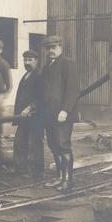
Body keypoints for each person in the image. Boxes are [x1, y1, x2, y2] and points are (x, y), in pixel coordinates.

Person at [41, 35, 80, 191]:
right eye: (48, 48)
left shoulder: (68, 65)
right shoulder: (46, 68)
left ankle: (67, 180)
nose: (51, 51)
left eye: (54, 47)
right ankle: (59, 177)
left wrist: (65, 110)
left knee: (63, 146)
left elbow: (73, 90)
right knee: (53, 146)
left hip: (63, 115)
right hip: (49, 114)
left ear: (60, 48)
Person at [13, 50, 44, 179]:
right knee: (20, 142)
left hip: (34, 117)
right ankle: (21, 169)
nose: (27, 63)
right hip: (23, 117)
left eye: (30, 60)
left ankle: (36, 172)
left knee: (34, 144)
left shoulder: (39, 75)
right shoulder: (26, 75)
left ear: (36, 61)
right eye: (25, 60)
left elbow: (42, 96)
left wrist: (30, 107)